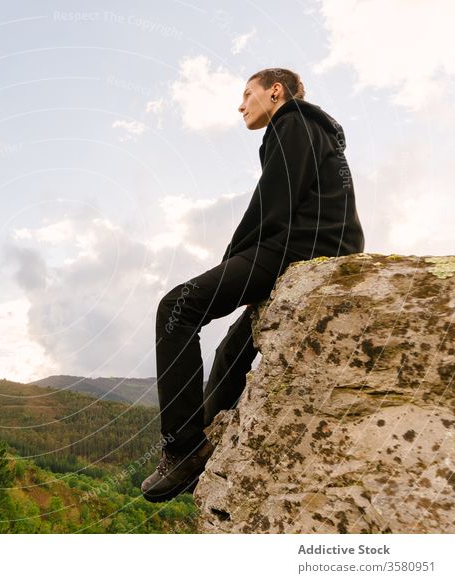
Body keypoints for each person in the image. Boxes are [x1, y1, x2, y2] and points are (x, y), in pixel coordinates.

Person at [140, 67, 365, 503]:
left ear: (275, 91)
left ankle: (181, 447)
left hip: (301, 248)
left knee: (177, 308)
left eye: (247, 94)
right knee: (231, 352)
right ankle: (206, 450)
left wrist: (231, 264)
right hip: (323, 248)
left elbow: (272, 205)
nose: (241, 105)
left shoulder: (292, 122)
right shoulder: (313, 131)